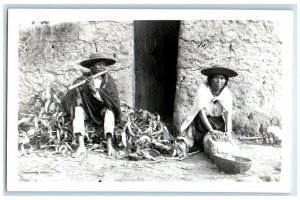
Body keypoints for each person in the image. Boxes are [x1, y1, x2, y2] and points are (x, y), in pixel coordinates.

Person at [62, 52, 121, 157]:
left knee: (110, 111)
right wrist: (78, 92)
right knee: (78, 110)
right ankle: (81, 146)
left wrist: (95, 90)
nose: (102, 67)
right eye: (99, 64)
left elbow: (113, 100)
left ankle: (109, 145)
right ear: (91, 67)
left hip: (102, 111)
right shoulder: (82, 79)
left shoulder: (108, 80)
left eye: (104, 64)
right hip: (89, 111)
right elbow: (69, 98)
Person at [177, 64, 239, 159]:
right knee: (195, 142)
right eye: (216, 78)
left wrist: (228, 131)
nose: (219, 81)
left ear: (226, 80)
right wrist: (210, 130)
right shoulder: (203, 90)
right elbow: (201, 113)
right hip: (202, 123)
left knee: (222, 142)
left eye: (222, 78)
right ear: (210, 79)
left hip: (218, 124)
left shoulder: (226, 93)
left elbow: (227, 114)